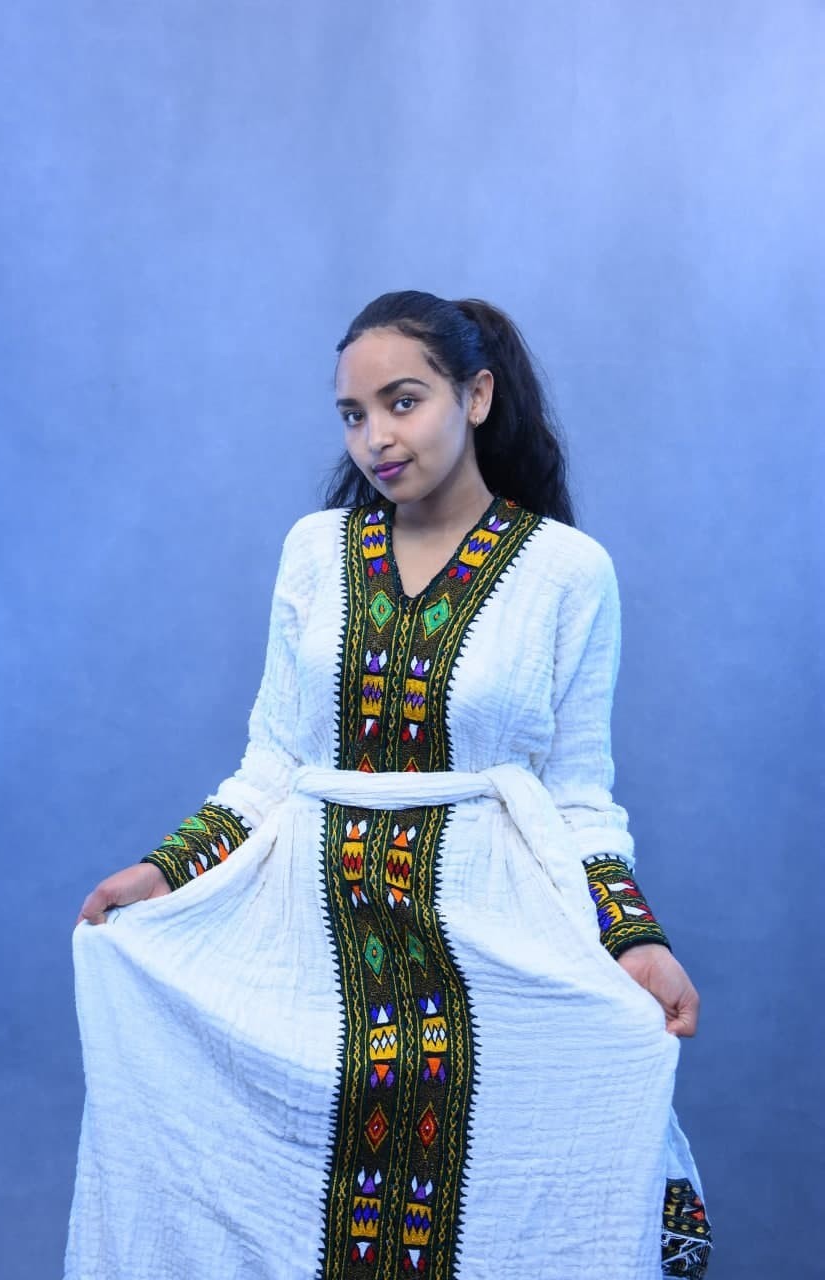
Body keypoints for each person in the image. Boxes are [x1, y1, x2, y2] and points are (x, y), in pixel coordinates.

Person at [67, 291, 712, 1279]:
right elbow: (273, 762)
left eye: (402, 401)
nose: (375, 436)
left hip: (489, 933)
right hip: (308, 938)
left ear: (476, 396)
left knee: (501, 1199)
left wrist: (636, 937)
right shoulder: (314, 552)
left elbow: (578, 795)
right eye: (352, 414)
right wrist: (163, 872)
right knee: (290, 1196)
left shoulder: (567, 572)